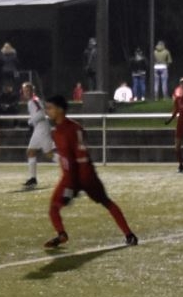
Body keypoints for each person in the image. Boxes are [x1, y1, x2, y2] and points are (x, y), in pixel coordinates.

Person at [42, 95, 138, 249]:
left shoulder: (60, 132)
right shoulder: (76, 127)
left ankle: (61, 234)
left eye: (50, 108)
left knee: (54, 207)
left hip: (74, 177)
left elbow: (70, 161)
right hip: (88, 172)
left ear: (60, 109)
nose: (47, 111)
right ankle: (129, 234)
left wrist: (70, 187)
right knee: (106, 202)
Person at [22, 83, 56, 188]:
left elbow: (41, 114)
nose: (25, 93)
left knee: (49, 154)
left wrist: (30, 121)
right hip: (39, 128)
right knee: (30, 152)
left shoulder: (34, 100)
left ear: (32, 91)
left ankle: (71, 170)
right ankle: (33, 179)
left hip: (42, 128)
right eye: (24, 91)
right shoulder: (33, 100)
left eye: (27, 90)